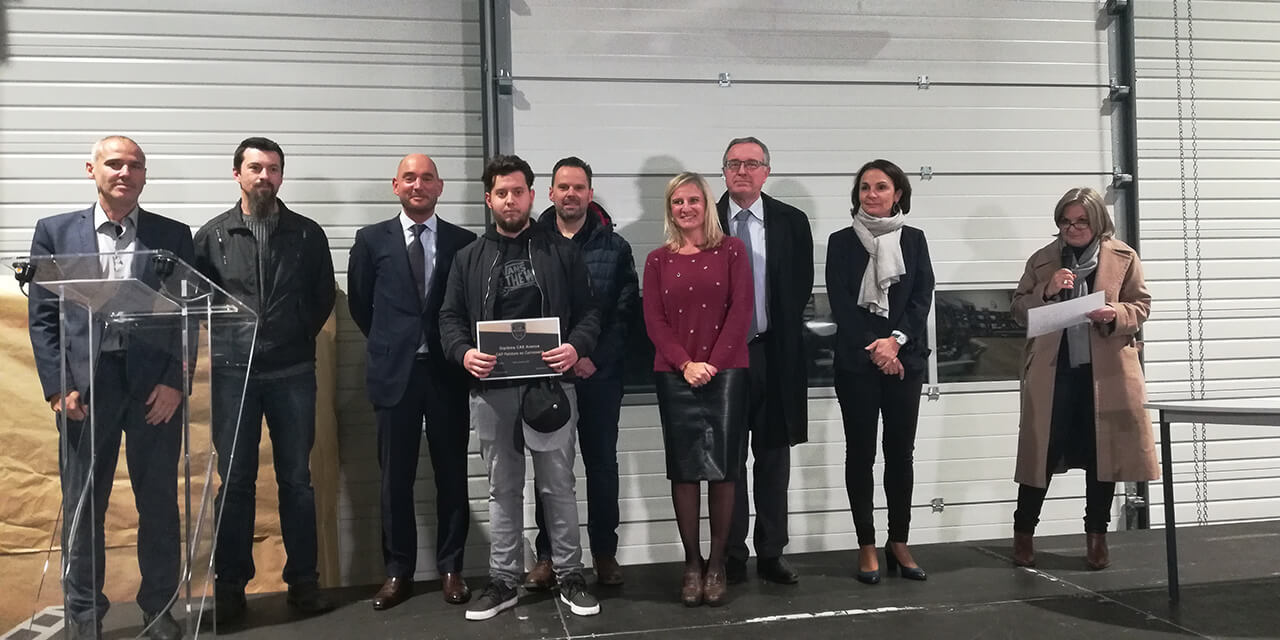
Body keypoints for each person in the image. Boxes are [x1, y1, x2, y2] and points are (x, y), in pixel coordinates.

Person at [28, 135, 192, 640]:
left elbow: (187, 316)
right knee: (83, 508)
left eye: (135, 165)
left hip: (153, 391)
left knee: (159, 505)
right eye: (115, 163)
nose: (125, 172)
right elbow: (43, 318)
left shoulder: (173, 234)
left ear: (145, 175)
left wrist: (174, 381)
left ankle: (160, 611)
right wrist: (59, 388)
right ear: (91, 169)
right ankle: (84, 617)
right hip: (85, 392)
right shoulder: (55, 232)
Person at [439, 154, 602, 621]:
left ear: (532, 195)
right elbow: (449, 318)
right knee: (502, 489)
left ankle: (570, 575)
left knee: (558, 486)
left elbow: (590, 313)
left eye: (518, 191)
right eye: (501, 193)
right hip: (492, 391)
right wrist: (463, 353)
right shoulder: (468, 258)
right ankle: (503, 581)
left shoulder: (562, 252)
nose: (510, 200)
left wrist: (575, 347)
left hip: (551, 388)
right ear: (488, 199)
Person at [192, 136, 337, 623]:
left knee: (297, 480)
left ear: (280, 176)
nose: (264, 177)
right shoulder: (211, 237)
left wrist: (293, 334)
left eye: (273, 169)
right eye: (255, 168)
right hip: (232, 374)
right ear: (237, 174)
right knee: (235, 481)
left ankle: (304, 583)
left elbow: (322, 296)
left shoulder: (307, 234)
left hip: (292, 371)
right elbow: (197, 304)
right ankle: (230, 588)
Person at [347, 154, 477, 609]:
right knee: (394, 480)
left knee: (452, 475)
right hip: (393, 373)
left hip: (446, 373)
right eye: (409, 178)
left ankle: (451, 568)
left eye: (426, 178)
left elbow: (467, 307)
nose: (417, 185)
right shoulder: (370, 240)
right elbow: (360, 305)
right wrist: (393, 343)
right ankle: (397, 571)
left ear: (440, 186)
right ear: (396, 186)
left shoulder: (464, 242)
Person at [1009, 187, 1157, 570]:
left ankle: (1097, 537)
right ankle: (1023, 533)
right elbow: (1018, 309)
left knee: (1101, 456)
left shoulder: (1124, 257)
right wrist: (1047, 290)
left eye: (1081, 221)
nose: (1072, 228)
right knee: (1041, 454)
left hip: (1105, 374)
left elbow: (1141, 306)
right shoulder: (1043, 260)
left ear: (1098, 222)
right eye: (1065, 221)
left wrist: (1115, 314)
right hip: (1053, 373)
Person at [526, 157, 638, 588]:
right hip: (547, 376)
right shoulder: (531, 244)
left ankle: (604, 554)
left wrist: (592, 357)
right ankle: (548, 556)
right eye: (563, 187)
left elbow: (625, 315)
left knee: (602, 465)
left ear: (590, 194)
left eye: (578, 187)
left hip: (599, 376)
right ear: (550, 193)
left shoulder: (616, 248)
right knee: (549, 469)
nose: (570, 194)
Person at [643, 171, 753, 606]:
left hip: (726, 372)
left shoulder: (732, 250)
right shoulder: (657, 260)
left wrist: (712, 364)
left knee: (724, 471)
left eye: (693, 200)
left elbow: (741, 310)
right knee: (685, 471)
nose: (685, 208)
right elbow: (654, 320)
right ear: (669, 209)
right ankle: (692, 563)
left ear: (707, 204)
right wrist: (686, 364)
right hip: (675, 374)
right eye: (677, 202)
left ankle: (718, 564)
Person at [826, 159, 935, 584]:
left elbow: (921, 297)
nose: (871, 194)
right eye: (865, 187)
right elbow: (841, 303)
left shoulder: (914, 239)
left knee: (900, 453)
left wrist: (896, 342)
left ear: (898, 193)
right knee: (860, 453)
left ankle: (899, 541)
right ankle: (867, 543)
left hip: (904, 361)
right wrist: (876, 348)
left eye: (881, 187)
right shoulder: (840, 242)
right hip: (857, 362)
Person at [716, 137, 814, 585]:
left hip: (773, 354)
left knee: (774, 459)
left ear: (766, 172)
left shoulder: (792, 222)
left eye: (752, 163)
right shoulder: (705, 219)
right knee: (729, 461)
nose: (742, 171)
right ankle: (732, 554)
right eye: (734, 163)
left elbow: (799, 289)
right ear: (723, 171)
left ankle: (772, 552)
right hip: (722, 359)